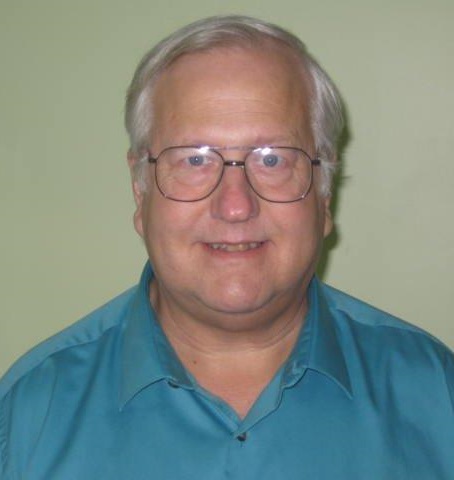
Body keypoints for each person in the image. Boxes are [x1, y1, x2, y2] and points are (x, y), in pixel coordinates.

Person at [1, 15, 453, 480]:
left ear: (323, 195)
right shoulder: (27, 417)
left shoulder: (437, 396)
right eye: (194, 159)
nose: (235, 206)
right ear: (140, 191)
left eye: (273, 159)